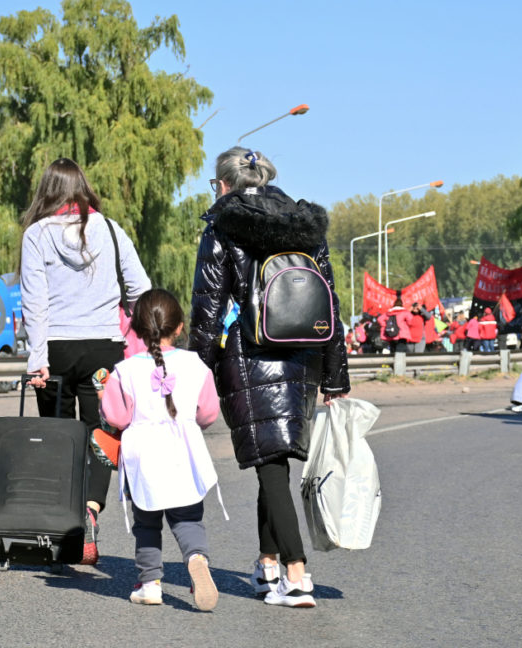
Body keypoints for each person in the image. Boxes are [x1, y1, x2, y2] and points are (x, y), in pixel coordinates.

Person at [189, 146, 349, 608]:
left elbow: (208, 307)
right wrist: (335, 377)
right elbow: (331, 304)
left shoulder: (223, 225)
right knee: (273, 459)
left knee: (270, 463)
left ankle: (297, 574)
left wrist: (194, 372)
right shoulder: (304, 225)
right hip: (303, 354)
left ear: (223, 184)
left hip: (250, 352)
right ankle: (267, 565)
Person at [19, 157, 151, 565]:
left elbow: (33, 303)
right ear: (83, 189)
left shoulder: (37, 235)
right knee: (101, 435)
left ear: (48, 190)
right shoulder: (111, 230)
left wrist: (37, 360)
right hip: (102, 351)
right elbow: (141, 289)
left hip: (55, 350)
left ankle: (60, 527)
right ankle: (90, 511)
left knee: (58, 437)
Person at [99, 289, 222, 610]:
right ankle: (196, 557)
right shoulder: (196, 364)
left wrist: (103, 396)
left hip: (144, 455)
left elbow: (117, 417)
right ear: (180, 327)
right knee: (188, 518)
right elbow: (208, 412)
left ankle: (150, 583)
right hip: (185, 451)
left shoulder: (123, 370)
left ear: (136, 330)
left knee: (147, 522)